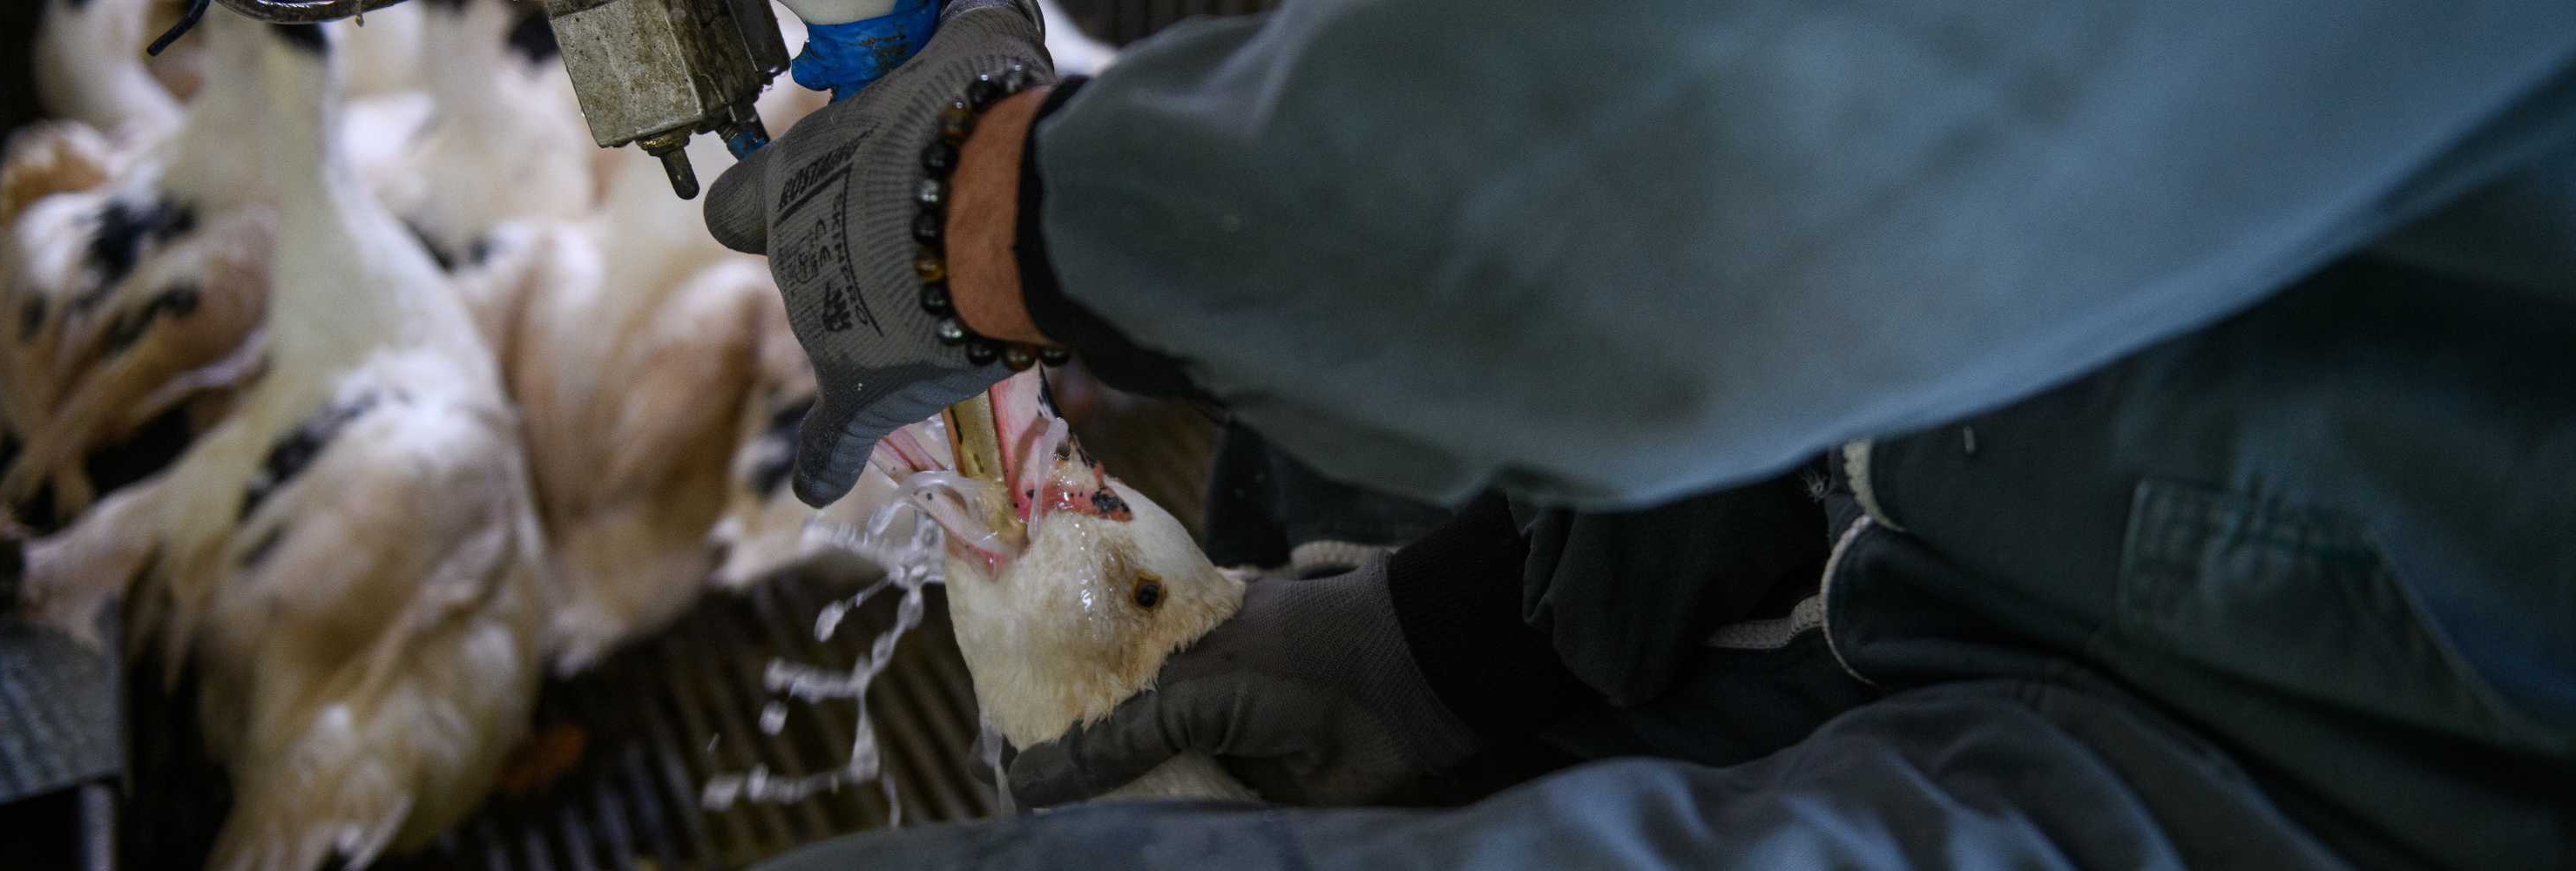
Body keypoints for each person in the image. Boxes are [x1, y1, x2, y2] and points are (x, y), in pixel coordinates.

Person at [704, 0, 2576, 867]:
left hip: (2384, 751)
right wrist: (1490, 626)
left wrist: (1001, 221)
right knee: (1338, 445)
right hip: (2082, 498)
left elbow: (1804, 142)